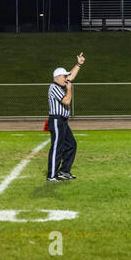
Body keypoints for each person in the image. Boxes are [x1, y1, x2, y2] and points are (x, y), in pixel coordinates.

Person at [47, 52, 85, 182]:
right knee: (57, 147)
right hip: (56, 120)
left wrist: (79, 64)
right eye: (64, 76)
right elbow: (66, 101)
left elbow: (72, 76)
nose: (66, 78)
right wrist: (69, 89)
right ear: (57, 77)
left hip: (63, 121)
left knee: (71, 144)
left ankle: (64, 171)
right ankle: (51, 175)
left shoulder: (60, 83)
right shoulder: (54, 87)